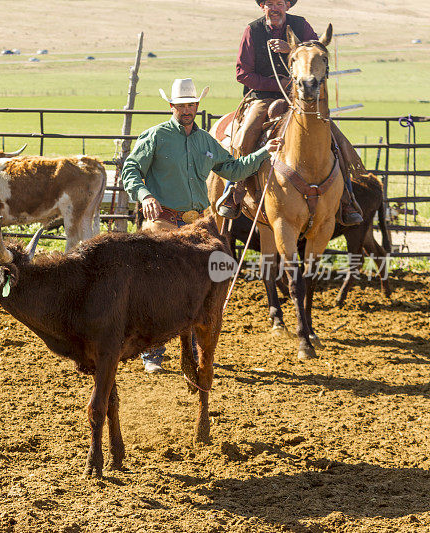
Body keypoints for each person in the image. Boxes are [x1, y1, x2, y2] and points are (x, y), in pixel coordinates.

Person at [122, 78, 282, 374]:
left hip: (198, 224)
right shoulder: (155, 136)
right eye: (181, 105)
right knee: (158, 287)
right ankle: (152, 352)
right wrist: (144, 195)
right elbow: (131, 170)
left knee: (205, 285)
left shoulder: (205, 141)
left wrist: (264, 153)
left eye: (191, 104)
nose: (187, 109)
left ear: (197, 106)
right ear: (171, 106)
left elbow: (233, 169)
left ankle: (199, 349)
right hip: (162, 220)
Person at [215, 0, 364, 226]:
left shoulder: (301, 26)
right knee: (246, 133)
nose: (275, 8)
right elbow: (242, 73)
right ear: (262, 6)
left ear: (287, 6)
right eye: (270, 3)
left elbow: (316, 51)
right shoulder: (252, 30)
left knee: (333, 135)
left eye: (280, 3)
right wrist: (276, 84)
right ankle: (235, 190)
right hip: (263, 96)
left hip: (301, 96)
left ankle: (346, 197)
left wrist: (291, 49)